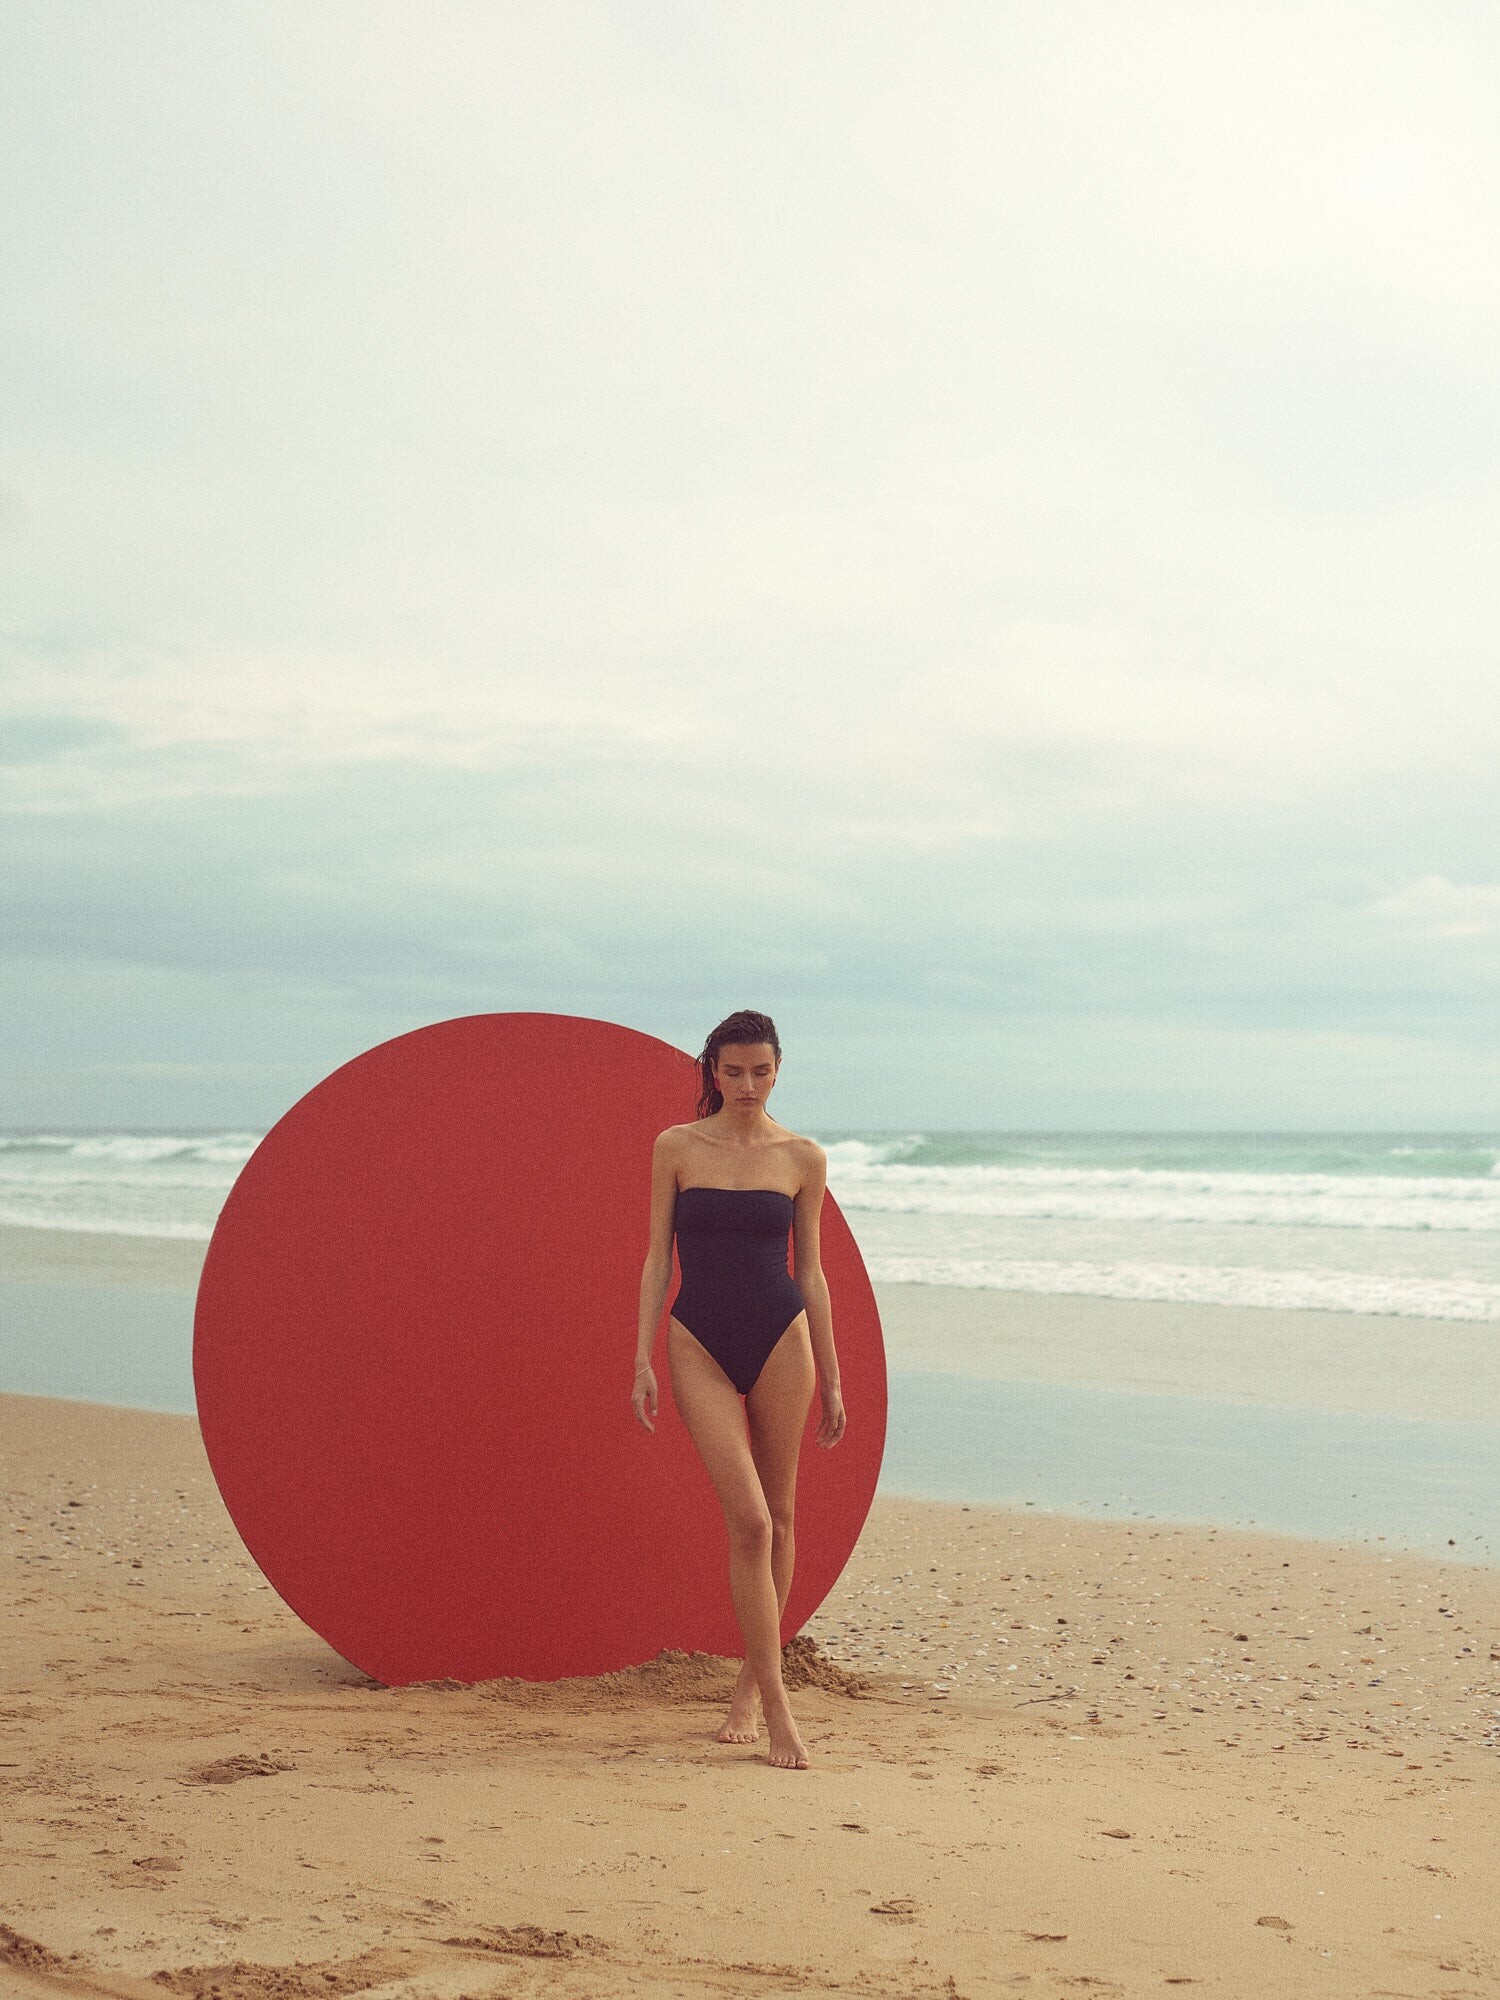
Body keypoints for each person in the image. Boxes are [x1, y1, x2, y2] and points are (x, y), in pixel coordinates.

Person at [631, 1008, 846, 1770]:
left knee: (780, 1519)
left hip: (783, 1340)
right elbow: (658, 1259)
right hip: (698, 1343)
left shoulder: (803, 1157)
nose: (747, 1085)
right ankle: (782, 1708)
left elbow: (811, 1273)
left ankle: (751, 1691)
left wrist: (834, 1377)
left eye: (760, 1071)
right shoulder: (677, 1147)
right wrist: (641, 1358)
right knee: (749, 1522)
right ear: (713, 1073)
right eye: (733, 1071)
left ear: (777, 1071)